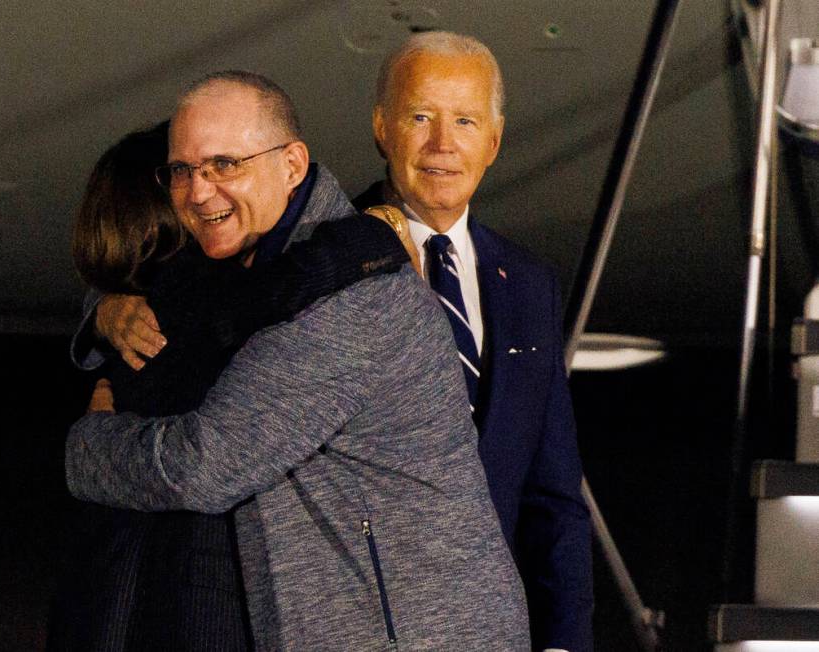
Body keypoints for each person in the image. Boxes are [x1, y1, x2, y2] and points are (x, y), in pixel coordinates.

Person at [66, 70, 530, 649]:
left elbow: (204, 468)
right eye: (182, 171)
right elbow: (159, 284)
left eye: (224, 165)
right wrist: (103, 308)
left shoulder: (346, 304)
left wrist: (89, 446)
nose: (199, 190)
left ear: (290, 165)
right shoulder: (257, 262)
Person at [55, 123, 417, 650]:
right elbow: (286, 284)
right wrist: (373, 237)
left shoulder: (126, 330)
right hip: (191, 610)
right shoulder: (207, 312)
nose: (205, 190)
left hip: (98, 607)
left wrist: (101, 312)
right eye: (185, 174)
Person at [352, 32, 593, 652]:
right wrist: (105, 314)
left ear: (494, 140)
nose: (442, 144)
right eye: (421, 117)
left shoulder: (530, 285)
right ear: (382, 127)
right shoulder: (322, 258)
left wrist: (564, 642)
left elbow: (553, 496)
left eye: (464, 120)